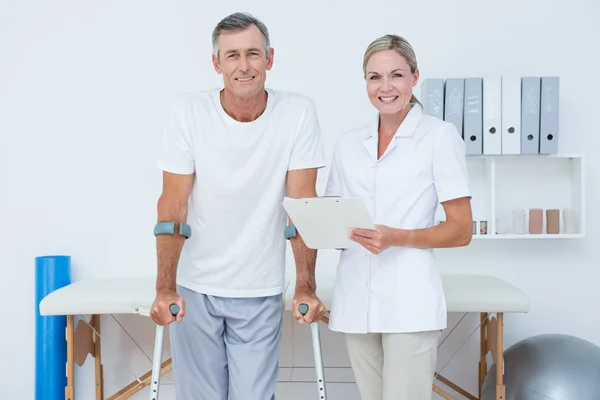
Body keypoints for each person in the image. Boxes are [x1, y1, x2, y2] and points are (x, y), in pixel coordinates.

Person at [149, 12, 327, 399]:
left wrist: (305, 285)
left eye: (253, 54)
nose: (244, 66)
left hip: (259, 287)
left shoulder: (297, 112)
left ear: (270, 58)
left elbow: (302, 205)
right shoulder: (188, 112)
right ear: (216, 63)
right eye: (232, 56)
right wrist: (164, 288)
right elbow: (173, 205)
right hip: (195, 288)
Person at [324, 34, 473, 400]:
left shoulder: (439, 136)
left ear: (414, 77)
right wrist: (319, 225)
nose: (385, 87)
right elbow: (333, 213)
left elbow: (461, 229)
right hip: (356, 299)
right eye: (374, 77)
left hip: (410, 302)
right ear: (365, 82)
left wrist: (398, 237)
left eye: (396, 75)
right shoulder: (348, 143)